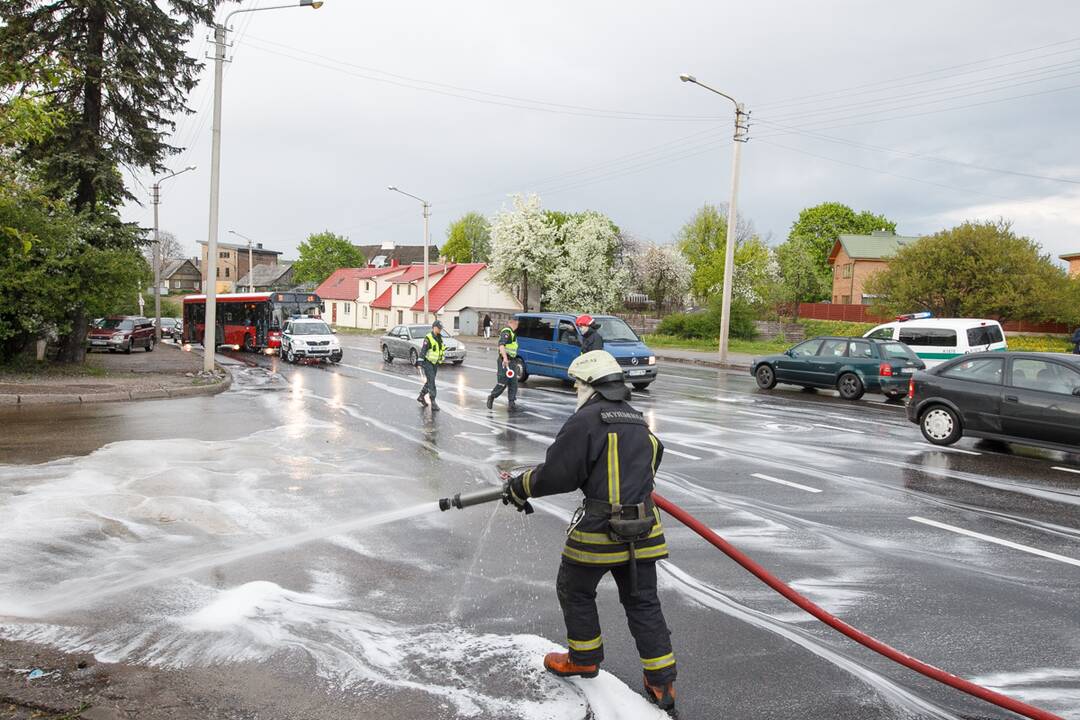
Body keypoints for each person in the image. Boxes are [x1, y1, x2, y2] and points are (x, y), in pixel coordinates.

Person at [502, 350, 676, 712]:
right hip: (644, 528)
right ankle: (662, 682)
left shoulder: (586, 420)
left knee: (575, 588)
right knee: (643, 601)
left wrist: (520, 487)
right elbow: (656, 453)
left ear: (590, 385)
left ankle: (583, 658)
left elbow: (558, 473)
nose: (576, 390)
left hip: (599, 530)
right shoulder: (636, 419)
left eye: (578, 385)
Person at [486, 317, 520, 411]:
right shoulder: (507, 331)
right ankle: (492, 396)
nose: (517, 325)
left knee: (513, 383)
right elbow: (501, 345)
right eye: (516, 323)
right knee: (503, 382)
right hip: (505, 361)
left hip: (512, 361)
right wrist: (505, 358)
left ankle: (511, 403)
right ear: (512, 322)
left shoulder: (513, 333)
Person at [416, 320, 445, 411]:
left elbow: (440, 350)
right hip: (428, 363)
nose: (440, 330)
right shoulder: (428, 338)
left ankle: (421, 396)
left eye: (441, 329)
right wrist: (420, 362)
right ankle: (433, 402)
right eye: (439, 328)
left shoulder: (440, 338)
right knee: (432, 382)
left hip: (435, 363)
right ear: (434, 327)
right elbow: (423, 350)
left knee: (429, 381)